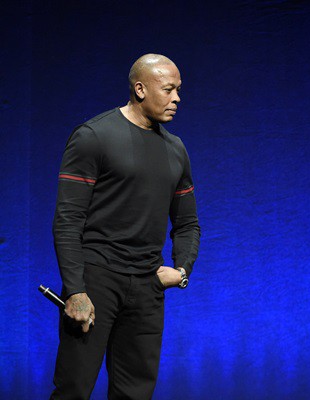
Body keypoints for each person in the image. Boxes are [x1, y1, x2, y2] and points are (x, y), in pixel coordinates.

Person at [50, 54, 200, 399]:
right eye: (169, 89)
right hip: (96, 280)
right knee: (74, 388)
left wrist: (181, 270)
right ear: (140, 88)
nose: (177, 98)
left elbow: (188, 223)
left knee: (135, 393)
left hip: (147, 286)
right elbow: (68, 220)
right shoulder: (94, 136)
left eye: (179, 90)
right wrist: (75, 289)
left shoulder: (175, 149)